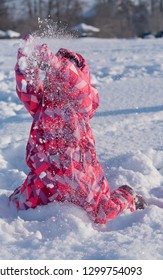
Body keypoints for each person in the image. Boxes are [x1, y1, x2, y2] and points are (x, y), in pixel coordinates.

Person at [9, 36, 147, 224]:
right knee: (17, 204)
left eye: (64, 72)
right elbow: (27, 88)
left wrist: (55, 64)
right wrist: (25, 60)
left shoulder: (83, 103)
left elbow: (77, 86)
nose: (58, 81)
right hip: (45, 175)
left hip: (79, 176)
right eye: (52, 75)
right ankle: (28, 194)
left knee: (99, 215)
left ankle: (127, 195)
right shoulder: (43, 104)